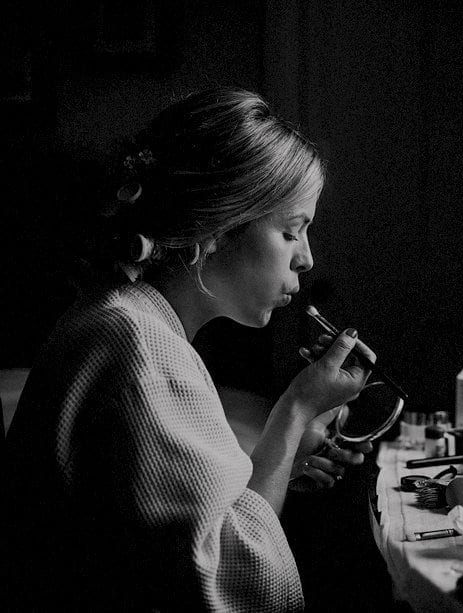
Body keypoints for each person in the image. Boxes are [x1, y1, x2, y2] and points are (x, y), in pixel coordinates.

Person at [1, 87, 372, 611]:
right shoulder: (140, 348)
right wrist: (296, 410)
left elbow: (165, 531)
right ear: (219, 227)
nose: (307, 259)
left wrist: (280, 461)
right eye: (292, 232)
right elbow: (233, 582)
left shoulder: (127, 319)